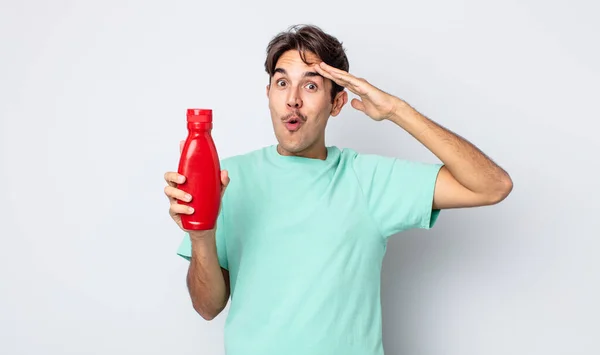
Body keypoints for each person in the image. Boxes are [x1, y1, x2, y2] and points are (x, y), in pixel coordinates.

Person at [163, 24, 513, 355]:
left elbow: (492, 186)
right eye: (282, 83)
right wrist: (202, 235)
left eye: (311, 86)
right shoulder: (228, 178)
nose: (293, 100)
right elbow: (207, 307)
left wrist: (396, 110)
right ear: (268, 94)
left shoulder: (367, 178)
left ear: (337, 103)